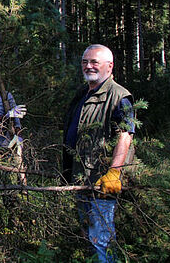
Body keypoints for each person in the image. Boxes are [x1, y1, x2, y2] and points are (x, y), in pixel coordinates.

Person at [62, 44, 134, 263]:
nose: (88, 66)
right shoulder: (83, 93)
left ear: (109, 66)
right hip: (80, 175)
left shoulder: (119, 96)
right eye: (85, 62)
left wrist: (114, 173)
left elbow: (125, 135)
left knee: (100, 239)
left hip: (102, 180)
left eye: (94, 62)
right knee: (87, 233)